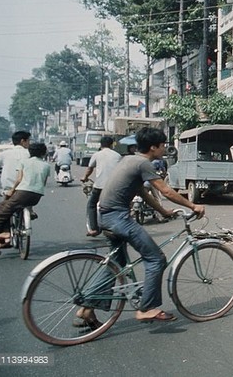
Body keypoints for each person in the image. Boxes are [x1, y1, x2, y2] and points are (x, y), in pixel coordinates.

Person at [76, 127, 204, 326]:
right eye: (163, 145)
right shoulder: (144, 164)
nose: (165, 149)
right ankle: (147, 309)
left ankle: (87, 308)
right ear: (153, 147)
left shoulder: (128, 159)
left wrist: (163, 212)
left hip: (106, 217)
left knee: (115, 266)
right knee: (156, 259)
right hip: (118, 218)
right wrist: (192, 205)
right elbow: (167, 191)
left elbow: (142, 193)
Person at [0, 142, 50, 255]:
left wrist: (12, 190)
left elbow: (19, 179)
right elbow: (43, 182)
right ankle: (6, 233)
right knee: (7, 207)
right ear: (43, 153)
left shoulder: (24, 162)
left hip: (22, 193)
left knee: (2, 210)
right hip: (36, 196)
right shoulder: (46, 165)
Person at [81, 135, 122, 237]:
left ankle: (94, 229)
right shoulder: (117, 155)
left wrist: (85, 177)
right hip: (114, 186)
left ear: (101, 144)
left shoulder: (97, 155)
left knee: (91, 205)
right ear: (112, 144)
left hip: (99, 186)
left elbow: (90, 169)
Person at [0, 130, 31, 197]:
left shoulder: (4, 154)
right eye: (29, 141)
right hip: (26, 189)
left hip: (8, 189)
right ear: (23, 141)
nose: (29, 143)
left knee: (4, 206)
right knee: (27, 206)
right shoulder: (30, 154)